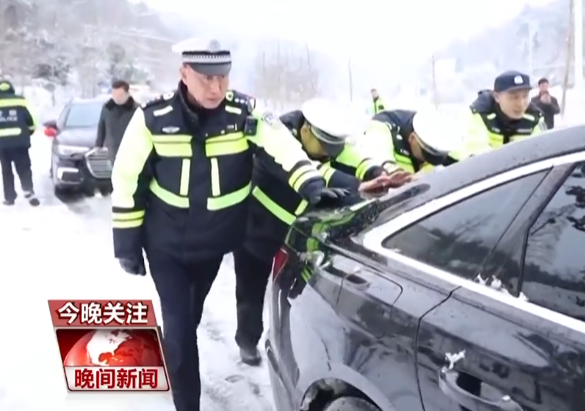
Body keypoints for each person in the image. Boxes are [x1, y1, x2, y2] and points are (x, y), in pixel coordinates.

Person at [110, 38, 345, 411]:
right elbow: (126, 177)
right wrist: (126, 244)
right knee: (182, 329)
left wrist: (312, 184)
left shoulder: (244, 112)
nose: (216, 87)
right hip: (165, 244)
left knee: (191, 314)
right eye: (205, 78)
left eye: (223, 77)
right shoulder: (153, 118)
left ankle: (178, 350)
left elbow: (281, 142)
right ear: (184, 73)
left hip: (214, 243)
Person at [235, 97, 408, 365]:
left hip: (298, 238)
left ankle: (286, 346)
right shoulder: (277, 139)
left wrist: (376, 172)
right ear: (305, 130)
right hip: (256, 229)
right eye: (325, 145)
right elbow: (313, 172)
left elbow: (351, 155)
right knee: (251, 290)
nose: (330, 152)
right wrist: (356, 185)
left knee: (294, 297)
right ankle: (247, 340)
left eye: (333, 146)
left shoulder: (326, 143)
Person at [0, 80, 39, 206]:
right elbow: (32, 120)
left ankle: (10, 197)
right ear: (11, 89)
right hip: (20, 141)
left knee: (6, 170)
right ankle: (28, 190)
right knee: (24, 167)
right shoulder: (22, 101)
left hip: (1, 143)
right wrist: (30, 131)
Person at [356, 107, 465, 173]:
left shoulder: (434, 128)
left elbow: (461, 159)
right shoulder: (380, 129)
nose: (428, 161)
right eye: (426, 156)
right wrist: (392, 173)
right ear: (412, 138)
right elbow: (379, 158)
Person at [463, 71, 544, 154]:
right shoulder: (480, 115)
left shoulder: (534, 119)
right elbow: (477, 153)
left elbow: (540, 151)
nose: (521, 104)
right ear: (497, 97)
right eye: (514, 97)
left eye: (525, 96)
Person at [95, 80, 139, 162]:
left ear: (127, 94)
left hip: (133, 151)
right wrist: (98, 145)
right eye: (114, 94)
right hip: (113, 151)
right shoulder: (107, 109)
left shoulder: (137, 110)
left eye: (120, 95)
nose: (117, 97)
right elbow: (101, 127)